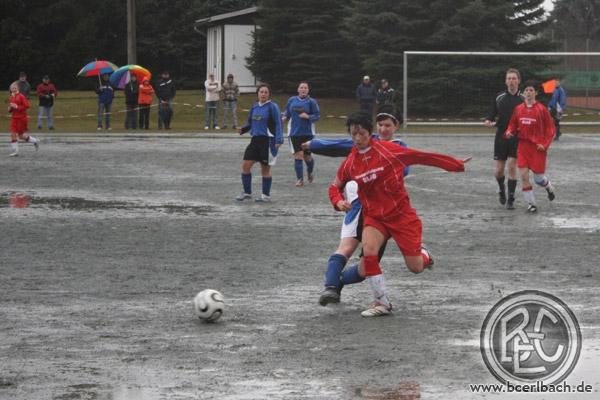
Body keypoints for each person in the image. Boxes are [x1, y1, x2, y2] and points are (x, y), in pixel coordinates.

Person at [328, 112, 468, 316]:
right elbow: (334, 187)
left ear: (370, 133)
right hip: (375, 217)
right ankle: (382, 303)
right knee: (369, 252)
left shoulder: (388, 150)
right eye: (354, 134)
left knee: (415, 267)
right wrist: (338, 201)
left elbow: (421, 156)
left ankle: (425, 256)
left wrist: (455, 164)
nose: (358, 138)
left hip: (401, 216)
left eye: (362, 133)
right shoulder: (350, 163)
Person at [304, 106, 410, 315]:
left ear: (396, 127)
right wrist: (314, 144)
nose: (384, 128)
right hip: (359, 208)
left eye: (388, 125)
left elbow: (405, 167)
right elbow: (340, 149)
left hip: (383, 212)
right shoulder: (361, 148)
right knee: (345, 248)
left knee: (364, 270)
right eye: (380, 125)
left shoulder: (398, 147)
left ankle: (337, 283)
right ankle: (331, 287)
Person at [505, 81, 556, 213]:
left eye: (531, 90)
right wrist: (509, 132)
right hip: (523, 147)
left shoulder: (542, 110)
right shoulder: (518, 109)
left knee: (538, 179)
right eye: (526, 90)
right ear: (524, 93)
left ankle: (549, 187)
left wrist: (544, 145)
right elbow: (512, 124)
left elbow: (551, 130)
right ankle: (531, 204)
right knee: (524, 176)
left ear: (536, 93)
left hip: (537, 148)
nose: (528, 92)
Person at [235, 83, 283, 203]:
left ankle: (265, 196)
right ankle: (247, 193)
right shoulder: (255, 106)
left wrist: (278, 140)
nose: (263, 94)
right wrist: (243, 129)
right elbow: (250, 123)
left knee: (265, 170)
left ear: (269, 94)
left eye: (266, 92)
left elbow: (278, 124)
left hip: (268, 141)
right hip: (255, 141)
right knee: (246, 165)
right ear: (258, 93)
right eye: (261, 92)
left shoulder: (273, 107)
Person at [484, 68, 524, 210]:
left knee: (512, 166)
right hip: (501, 136)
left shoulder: (524, 99)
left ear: (519, 81)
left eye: (514, 78)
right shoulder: (499, 97)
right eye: (509, 78)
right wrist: (489, 120)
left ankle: (511, 199)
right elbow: (491, 113)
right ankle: (502, 189)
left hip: (517, 138)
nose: (511, 81)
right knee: (499, 170)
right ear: (505, 81)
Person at [282, 81, 320, 186]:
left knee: (307, 157)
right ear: (298, 89)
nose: (303, 89)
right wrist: (284, 118)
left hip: (308, 133)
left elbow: (317, 116)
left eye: (305, 88)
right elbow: (287, 113)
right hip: (294, 133)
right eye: (301, 88)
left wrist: (308, 116)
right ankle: (299, 179)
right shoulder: (291, 100)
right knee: (298, 156)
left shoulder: (312, 102)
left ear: (308, 90)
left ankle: (310, 171)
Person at [7, 82, 39, 157]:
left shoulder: (21, 96)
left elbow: (27, 106)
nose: (14, 89)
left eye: (15, 88)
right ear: (10, 89)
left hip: (22, 118)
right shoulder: (11, 97)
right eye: (12, 88)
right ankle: (15, 151)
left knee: (21, 136)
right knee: (12, 134)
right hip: (14, 118)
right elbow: (11, 109)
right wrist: (10, 108)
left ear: (18, 89)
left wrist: (17, 107)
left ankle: (34, 141)